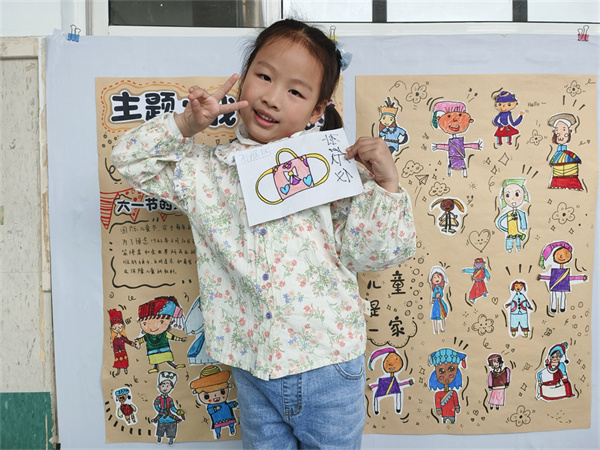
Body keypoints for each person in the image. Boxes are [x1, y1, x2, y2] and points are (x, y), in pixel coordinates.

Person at [112, 18, 416, 449]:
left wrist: (386, 185)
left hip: (328, 361)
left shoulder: (331, 171)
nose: (272, 97)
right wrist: (186, 124)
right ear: (243, 77)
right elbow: (128, 161)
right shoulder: (207, 173)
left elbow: (374, 255)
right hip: (251, 364)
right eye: (264, 76)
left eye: (296, 92)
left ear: (317, 111)